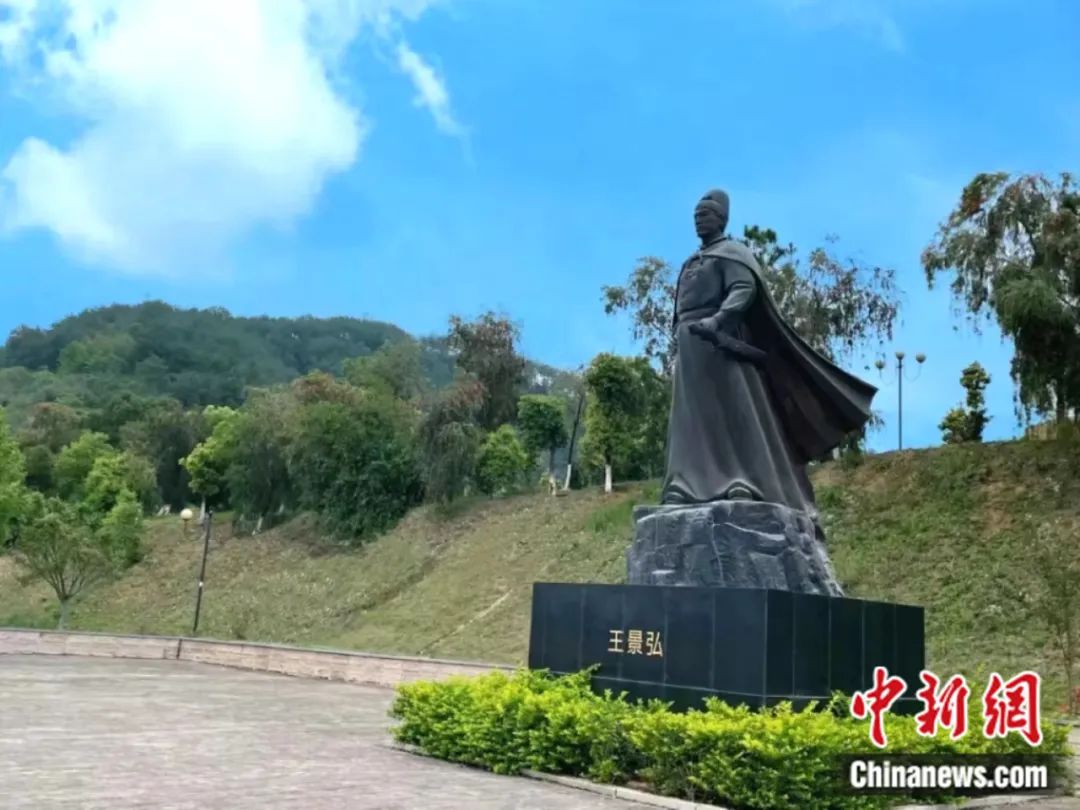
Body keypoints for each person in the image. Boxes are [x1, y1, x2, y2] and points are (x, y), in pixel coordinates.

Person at [661, 189, 877, 517]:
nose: (698, 221)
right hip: (691, 350)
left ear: (721, 219)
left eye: (704, 215)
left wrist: (718, 320)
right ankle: (684, 484)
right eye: (695, 217)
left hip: (722, 344)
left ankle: (742, 480)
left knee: (734, 412)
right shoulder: (691, 261)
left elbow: (743, 288)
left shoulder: (733, 253)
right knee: (689, 420)